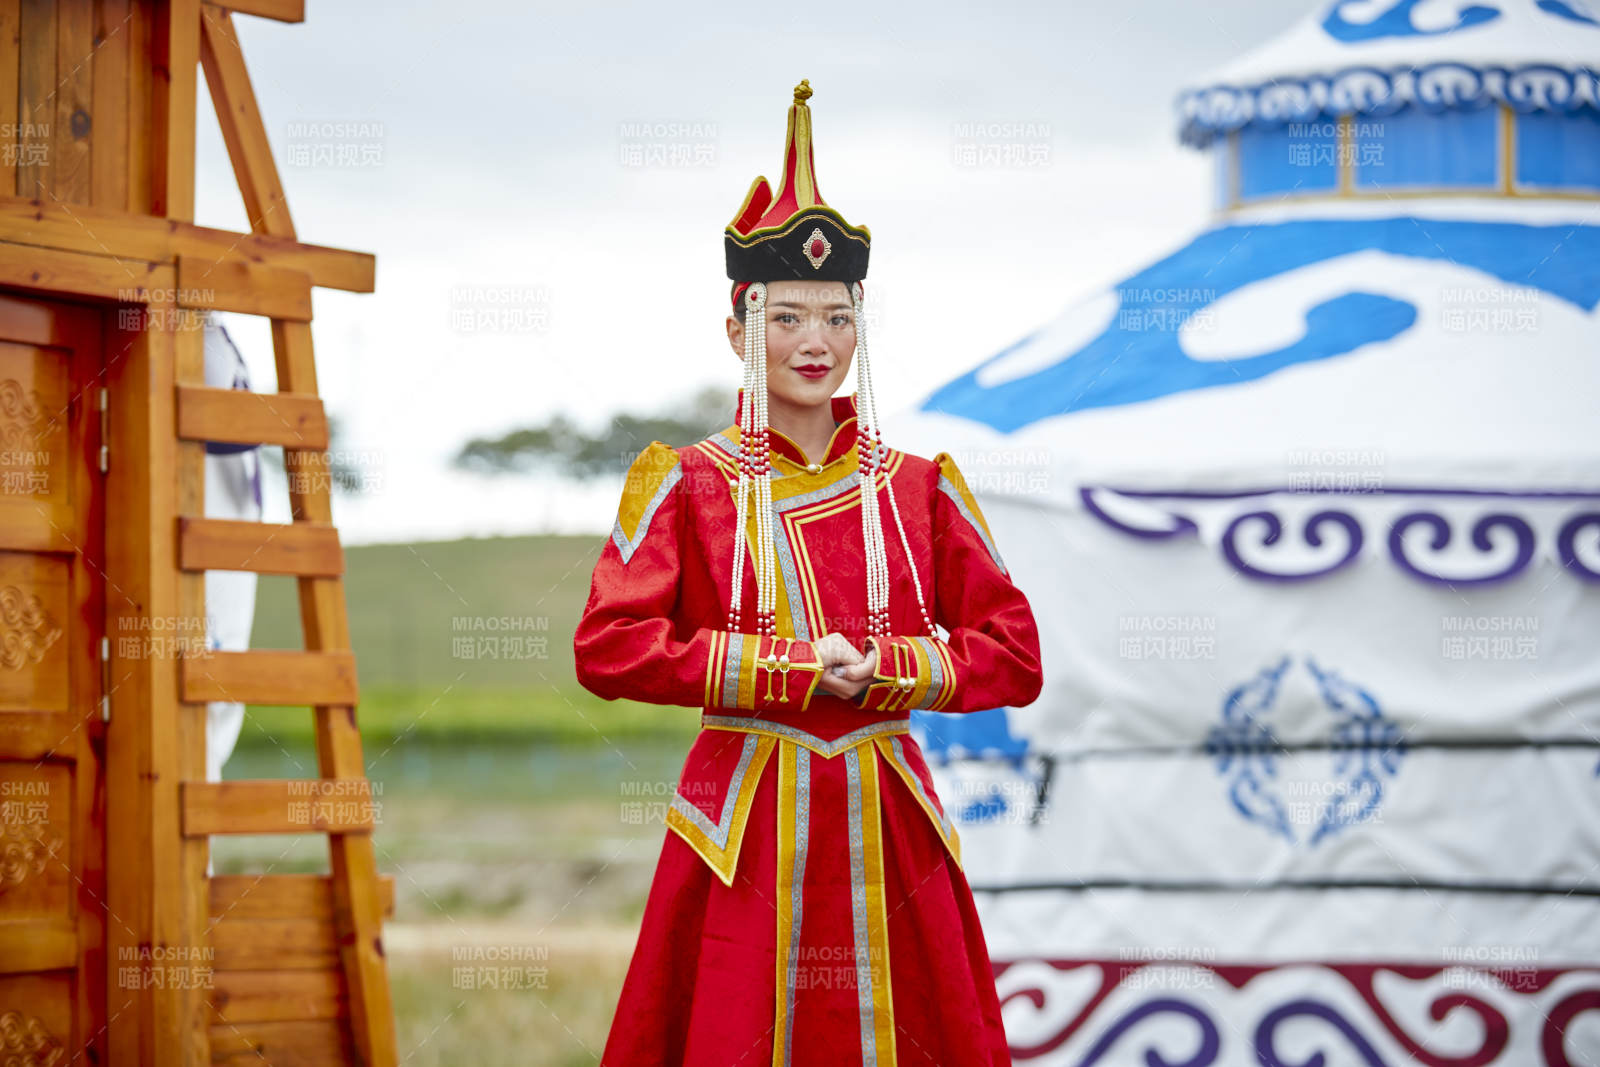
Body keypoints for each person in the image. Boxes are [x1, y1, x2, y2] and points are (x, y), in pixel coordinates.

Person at [574, 78, 1043, 1066]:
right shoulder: (686, 483)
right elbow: (608, 646)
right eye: (787, 317)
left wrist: (891, 668)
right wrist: (783, 668)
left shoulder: (919, 487)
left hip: (887, 823)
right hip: (744, 829)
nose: (815, 342)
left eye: (836, 316)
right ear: (738, 331)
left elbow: (1014, 651)